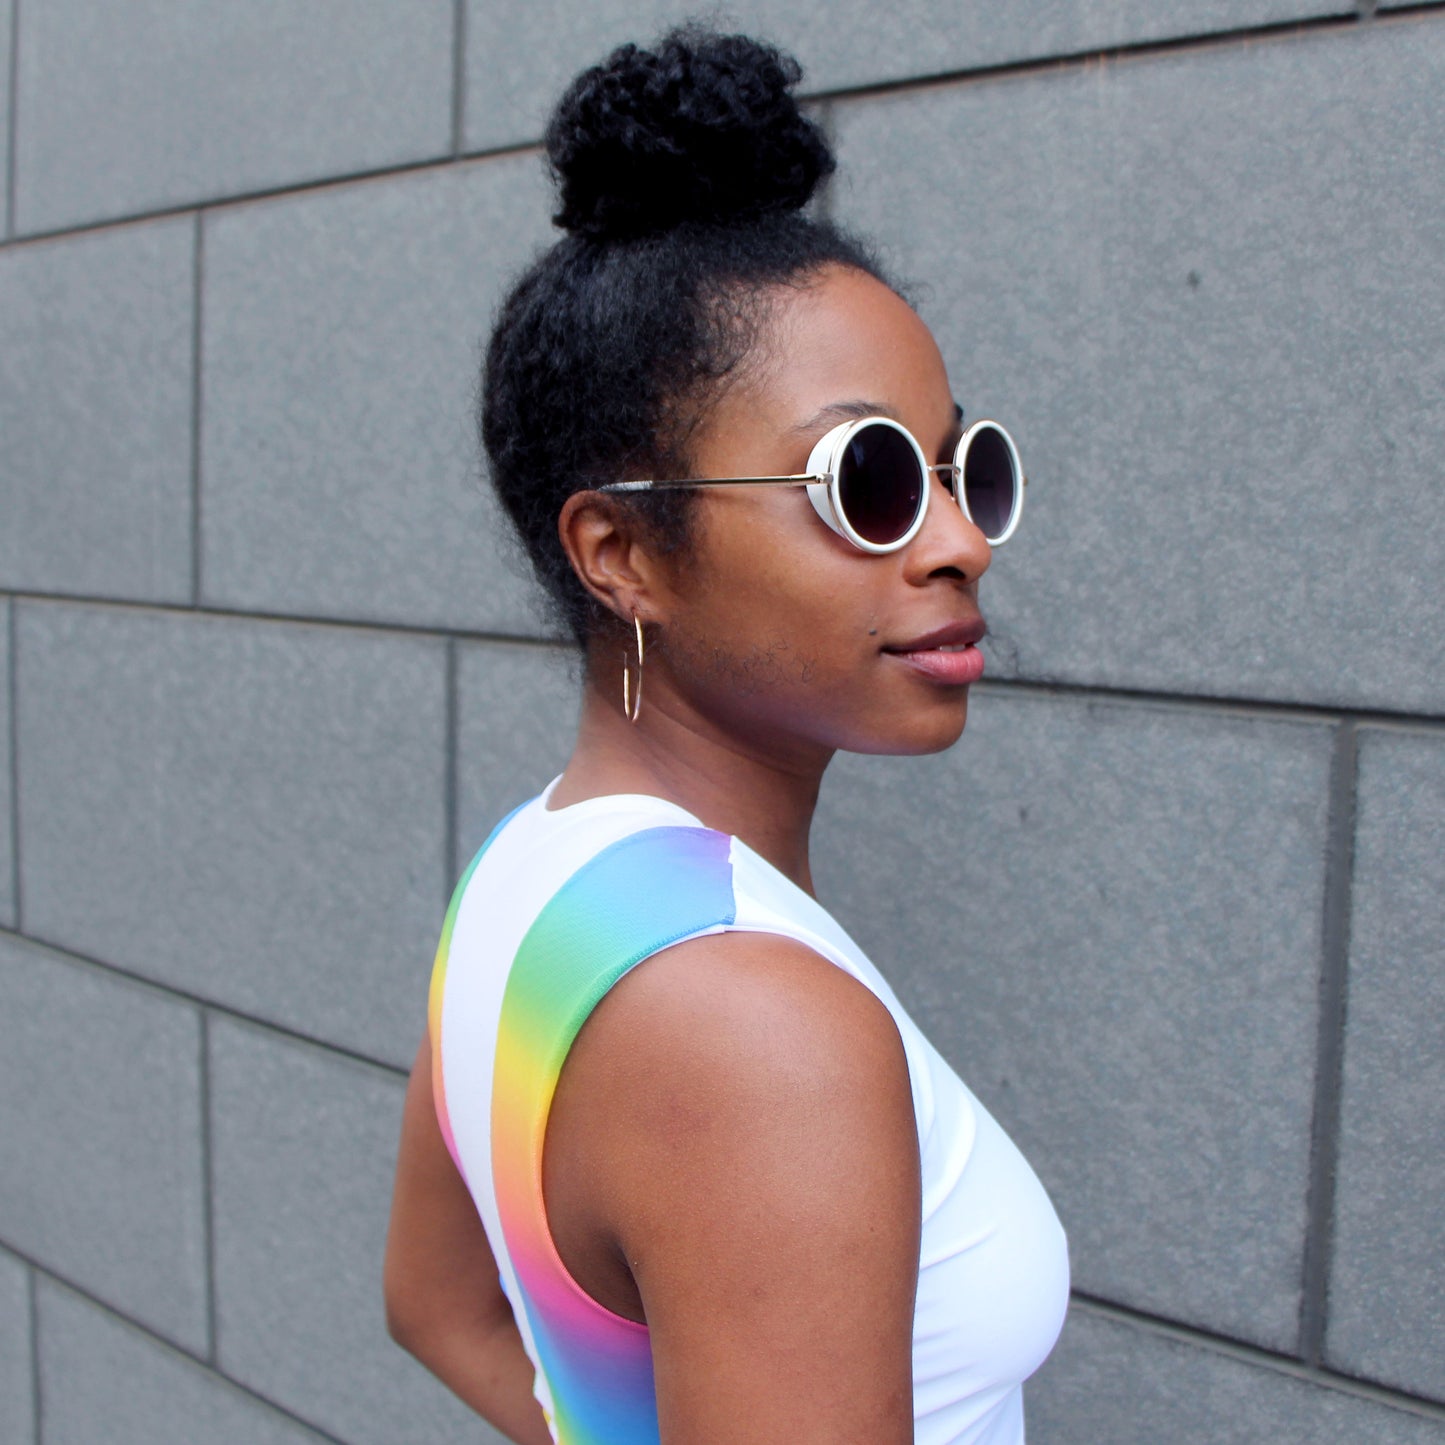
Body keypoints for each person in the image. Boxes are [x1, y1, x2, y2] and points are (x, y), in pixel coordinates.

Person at [384, 26, 1069, 1445]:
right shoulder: (757, 1029)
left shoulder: (528, 868)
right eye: (865, 479)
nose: (957, 543)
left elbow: (435, 1302)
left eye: (962, 465)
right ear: (620, 550)